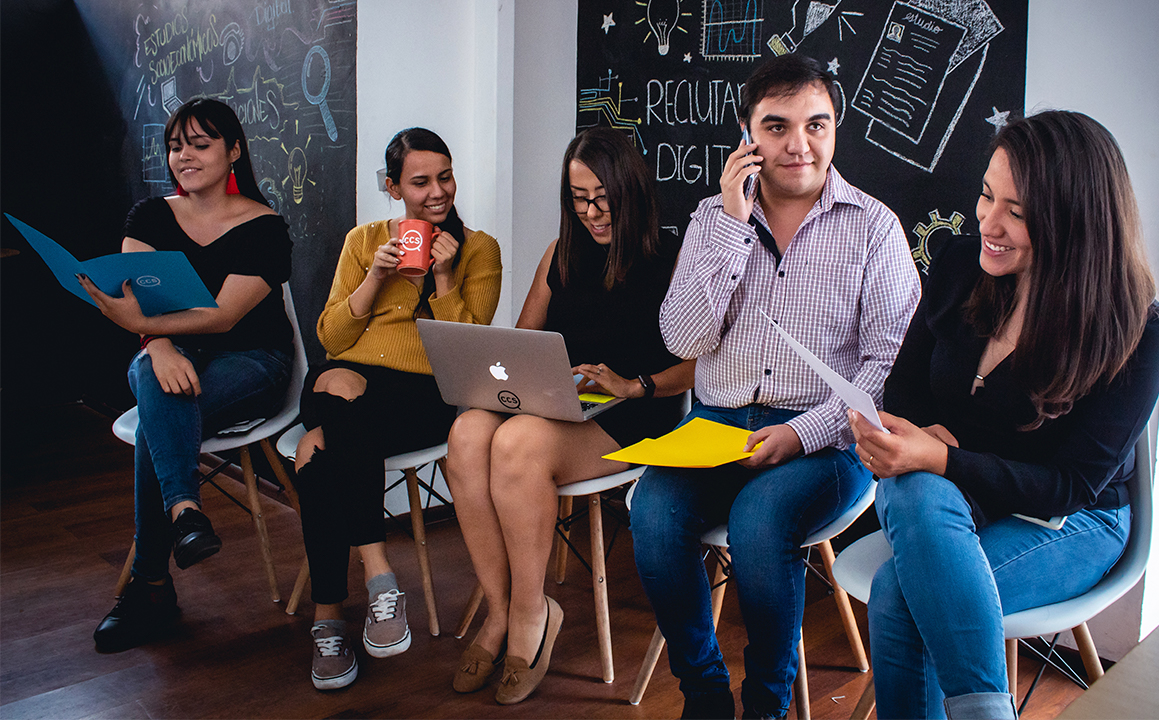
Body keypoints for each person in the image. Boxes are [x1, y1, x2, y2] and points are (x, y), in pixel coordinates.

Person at [849, 110, 1159, 720]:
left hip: (1073, 518)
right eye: (986, 195)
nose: (988, 223)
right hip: (954, 498)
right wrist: (919, 441)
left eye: (1017, 212)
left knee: (899, 593)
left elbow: (1071, 487)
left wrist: (943, 458)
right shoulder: (959, 264)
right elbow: (905, 384)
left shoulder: (1136, 328)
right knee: (915, 485)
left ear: (1074, 222)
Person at [629, 54, 921, 720]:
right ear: (747, 135)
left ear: (835, 128)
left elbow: (886, 364)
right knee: (652, 512)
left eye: (816, 124)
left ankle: (766, 704)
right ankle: (705, 694)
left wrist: (800, 433)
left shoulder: (874, 227)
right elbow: (683, 340)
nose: (799, 145)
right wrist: (733, 230)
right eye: (777, 126)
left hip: (829, 439)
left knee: (760, 522)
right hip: (717, 426)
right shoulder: (711, 219)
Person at [444, 126, 695, 705]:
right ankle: (500, 610)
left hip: (636, 410)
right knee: (467, 432)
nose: (591, 213)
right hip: (562, 402)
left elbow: (699, 366)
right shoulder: (560, 253)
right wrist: (518, 379)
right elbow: (524, 340)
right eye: (579, 199)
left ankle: (532, 613)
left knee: (516, 444)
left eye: (602, 198)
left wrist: (632, 385)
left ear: (630, 190)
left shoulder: (673, 257)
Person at [293, 128, 501, 690]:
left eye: (445, 177)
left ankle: (328, 618)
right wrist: (375, 277)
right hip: (348, 378)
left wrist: (444, 277)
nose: (438, 192)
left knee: (316, 452)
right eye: (420, 181)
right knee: (340, 385)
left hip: (423, 392)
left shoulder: (479, 249)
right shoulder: (363, 241)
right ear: (393, 188)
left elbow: (467, 352)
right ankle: (380, 576)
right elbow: (332, 336)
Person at [87, 98, 295, 652]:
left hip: (254, 359)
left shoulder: (265, 227)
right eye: (176, 146)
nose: (185, 156)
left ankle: (150, 586)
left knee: (158, 420)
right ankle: (186, 513)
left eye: (201, 144)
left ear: (234, 151)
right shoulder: (149, 216)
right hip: (168, 352)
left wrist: (143, 328)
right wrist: (156, 344)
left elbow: (224, 316)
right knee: (161, 390)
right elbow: (135, 296)